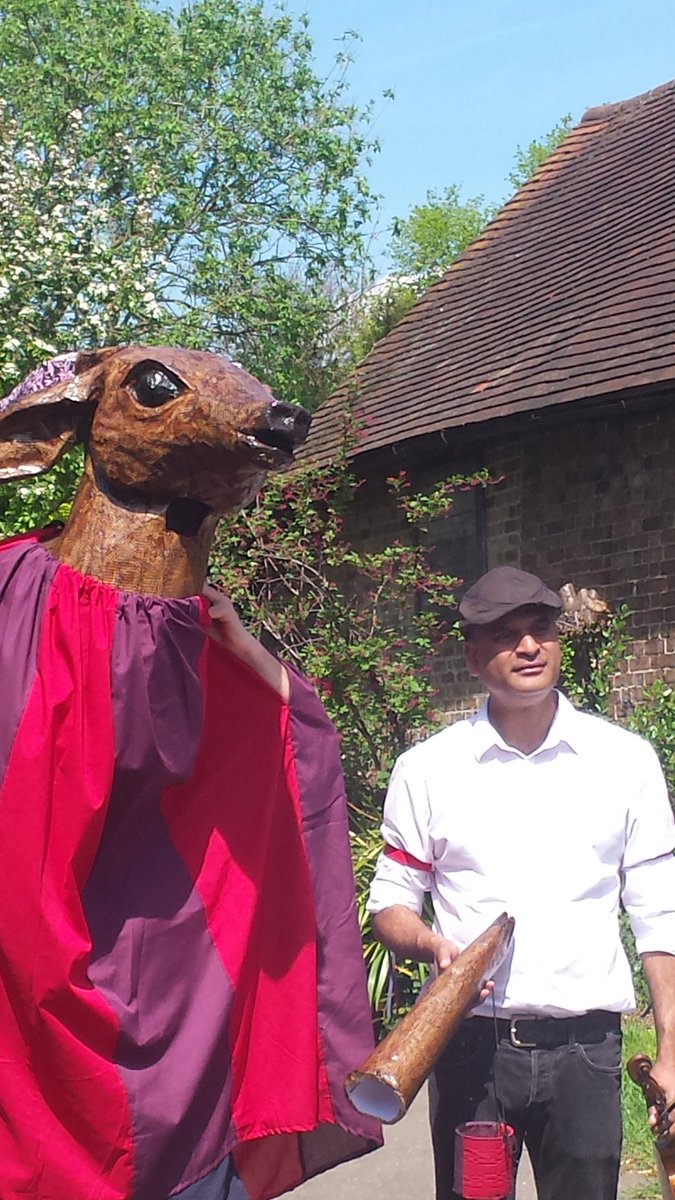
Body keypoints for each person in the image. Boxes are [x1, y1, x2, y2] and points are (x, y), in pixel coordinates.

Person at [368, 565, 675, 1200]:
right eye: (506, 635)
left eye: (540, 629)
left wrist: (671, 1046)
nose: (529, 646)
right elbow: (391, 904)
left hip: (587, 1054)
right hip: (474, 1055)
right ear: (473, 655)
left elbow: (659, 914)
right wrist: (432, 947)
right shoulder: (428, 770)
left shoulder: (624, 761)